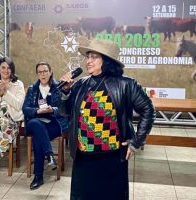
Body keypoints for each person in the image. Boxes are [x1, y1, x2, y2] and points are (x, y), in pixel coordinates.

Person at [59, 38, 155, 200]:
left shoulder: (127, 85)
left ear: (107, 60)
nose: (88, 61)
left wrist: (136, 141)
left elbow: (148, 110)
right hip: (83, 157)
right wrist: (66, 93)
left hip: (112, 158)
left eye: (94, 57)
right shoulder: (81, 84)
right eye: (87, 57)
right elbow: (65, 112)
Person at [22, 61, 68, 190]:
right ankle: (49, 154)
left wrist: (52, 109)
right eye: (40, 72)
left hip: (53, 123)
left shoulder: (59, 87)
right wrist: (37, 111)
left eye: (45, 71)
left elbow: (65, 109)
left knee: (38, 138)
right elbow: (25, 109)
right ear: (37, 74)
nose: (43, 74)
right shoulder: (32, 89)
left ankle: (38, 177)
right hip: (34, 121)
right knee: (37, 124)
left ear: (50, 72)